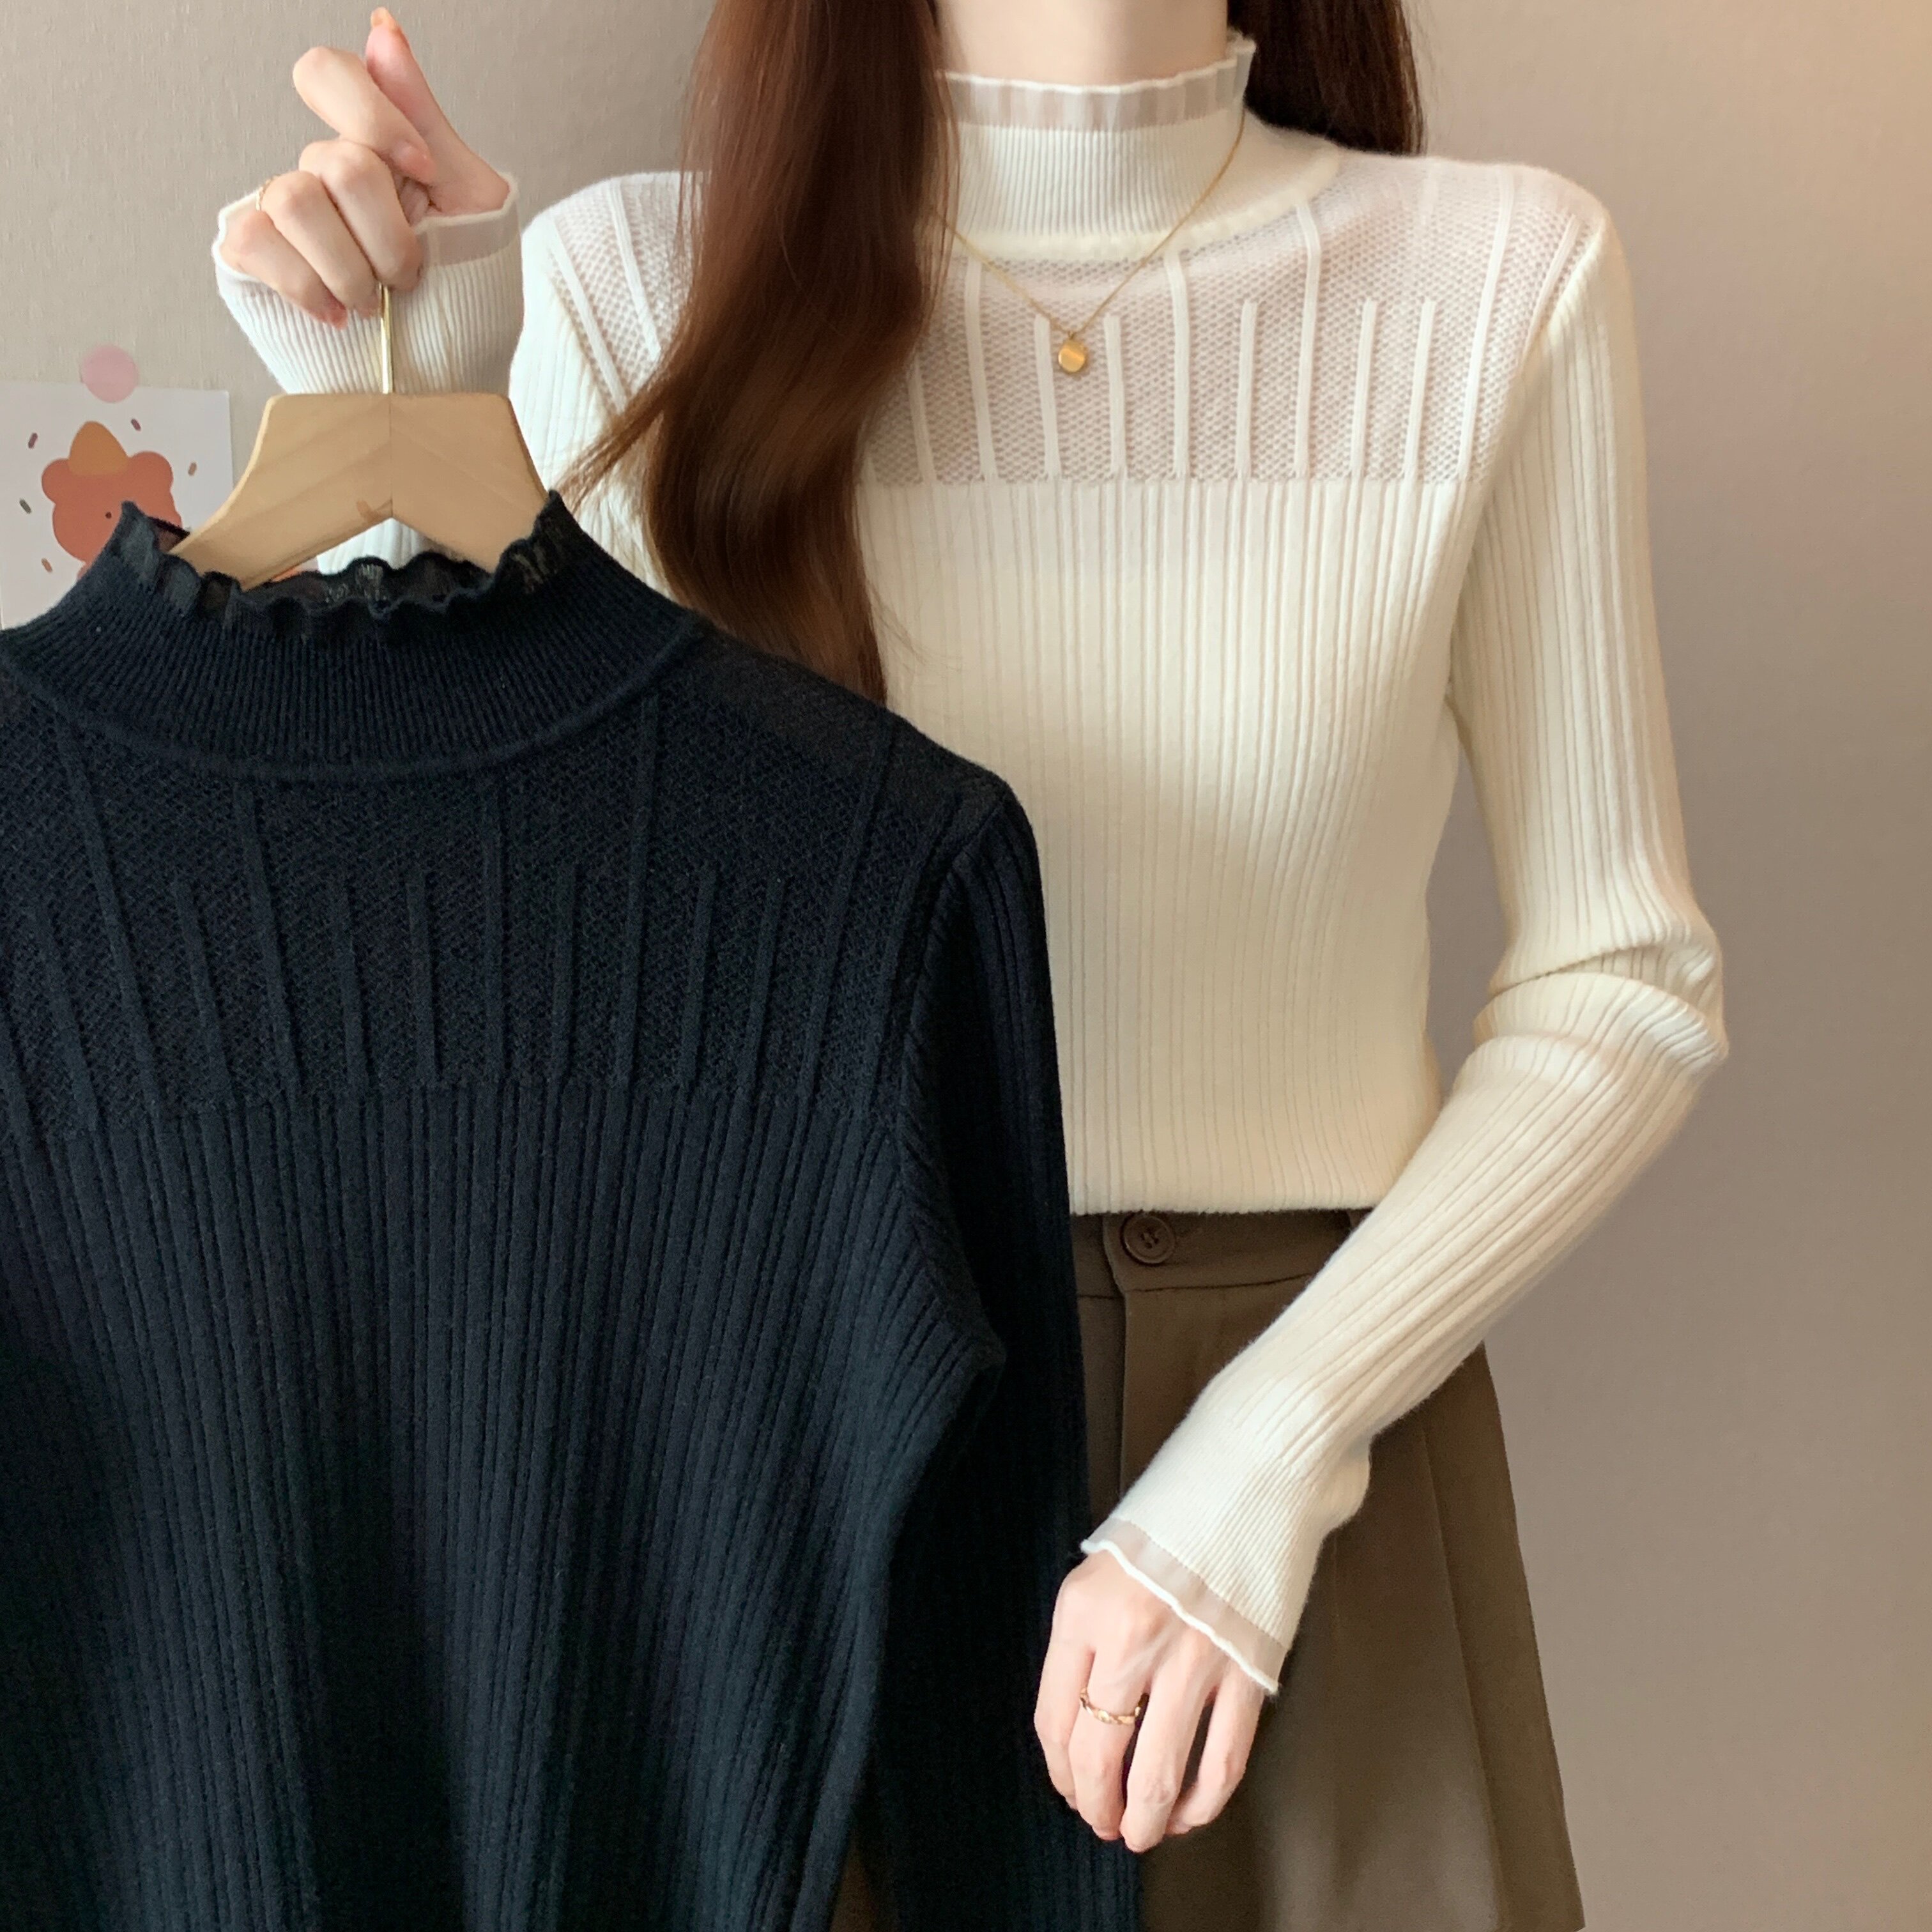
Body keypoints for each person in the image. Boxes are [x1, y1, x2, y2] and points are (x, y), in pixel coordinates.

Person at [211, 4, 1728, 1928]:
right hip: (779, 1438)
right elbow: (486, 943)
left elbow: (1622, 971)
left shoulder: (1496, 278)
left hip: (1302, 1443)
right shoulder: (637, 280)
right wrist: (382, 406)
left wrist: (1271, 1451)